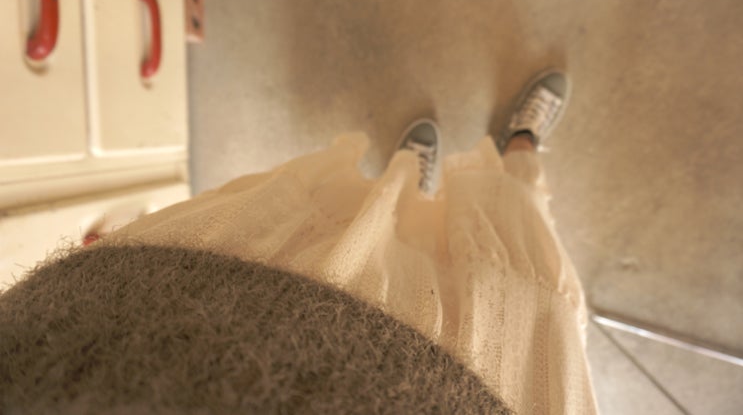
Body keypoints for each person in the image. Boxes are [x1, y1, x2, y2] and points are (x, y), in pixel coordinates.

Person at [0, 70, 597, 414]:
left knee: (353, 223)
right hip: (472, 396)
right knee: (518, 248)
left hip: (147, 319)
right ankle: (520, 145)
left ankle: (403, 192)